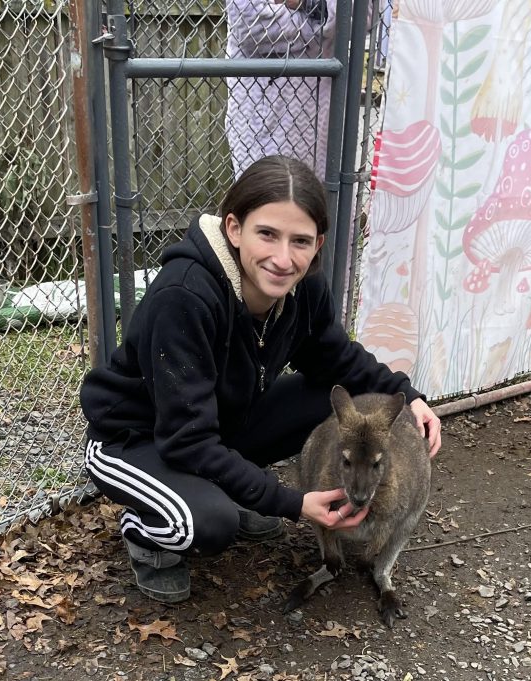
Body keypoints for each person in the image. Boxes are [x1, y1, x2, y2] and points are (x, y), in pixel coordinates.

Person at [80, 155, 441, 603]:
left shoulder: (301, 286)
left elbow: (337, 359)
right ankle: (148, 535)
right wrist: (287, 501)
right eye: (267, 234)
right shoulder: (186, 295)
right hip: (134, 439)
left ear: (317, 244)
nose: (283, 258)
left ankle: (221, 489)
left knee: (335, 405)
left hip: (215, 426)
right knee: (208, 525)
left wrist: (407, 396)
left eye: (300, 241)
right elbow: (185, 439)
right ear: (234, 229)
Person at [224, 0, 337, 179]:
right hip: (264, 119)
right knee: (264, 198)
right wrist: (324, 24)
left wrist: (303, 3)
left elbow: (363, 14)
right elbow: (251, 26)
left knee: (325, 202)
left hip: (329, 119)